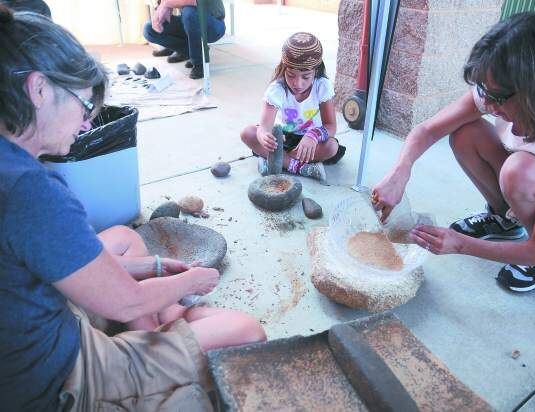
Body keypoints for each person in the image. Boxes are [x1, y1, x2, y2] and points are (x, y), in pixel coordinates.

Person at [0, 7, 265, 411]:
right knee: (246, 331)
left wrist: (156, 268)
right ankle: (159, 349)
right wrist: (191, 281)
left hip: (23, 328)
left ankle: (164, 337)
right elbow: (125, 303)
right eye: (85, 105)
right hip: (55, 377)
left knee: (125, 239)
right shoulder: (30, 190)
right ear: (38, 89)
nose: (87, 124)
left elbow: (46, 262)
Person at [372, 12, 535, 293]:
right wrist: (400, 171)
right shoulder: (500, 89)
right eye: (484, 92)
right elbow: (428, 130)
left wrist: (461, 245)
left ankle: (528, 247)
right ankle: (506, 220)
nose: (487, 103)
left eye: (497, 97)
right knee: (466, 133)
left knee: (520, 173)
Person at [240, 32, 346, 182]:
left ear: (316, 70)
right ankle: (299, 167)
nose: (297, 83)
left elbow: (331, 126)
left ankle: (275, 161)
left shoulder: (322, 86)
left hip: (310, 142)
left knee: (331, 147)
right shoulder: (277, 89)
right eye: (291, 75)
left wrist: (313, 136)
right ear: (283, 69)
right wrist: (264, 136)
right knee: (247, 133)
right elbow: (264, 127)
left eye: (306, 77)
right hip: (281, 138)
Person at [144, 0, 226, 79]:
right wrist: (160, 12)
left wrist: (166, 3)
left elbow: (197, 2)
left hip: (214, 24)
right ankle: (191, 51)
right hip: (189, 21)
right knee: (149, 30)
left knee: (189, 11)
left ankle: (199, 63)